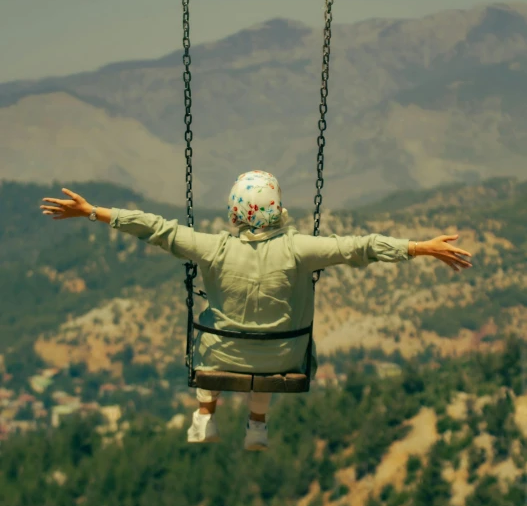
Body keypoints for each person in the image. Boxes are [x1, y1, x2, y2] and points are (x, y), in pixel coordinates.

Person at [40, 170, 472, 451]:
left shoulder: (213, 248)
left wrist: (93, 212)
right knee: (276, 338)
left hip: (221, 357)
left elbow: (156, 228)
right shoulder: (302, 249)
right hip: (284, 360)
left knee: (212, 329)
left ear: (235, 214)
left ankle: (205, 413)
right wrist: (419, 248)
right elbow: (360, 247)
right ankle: (257, 423)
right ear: (277, 208)